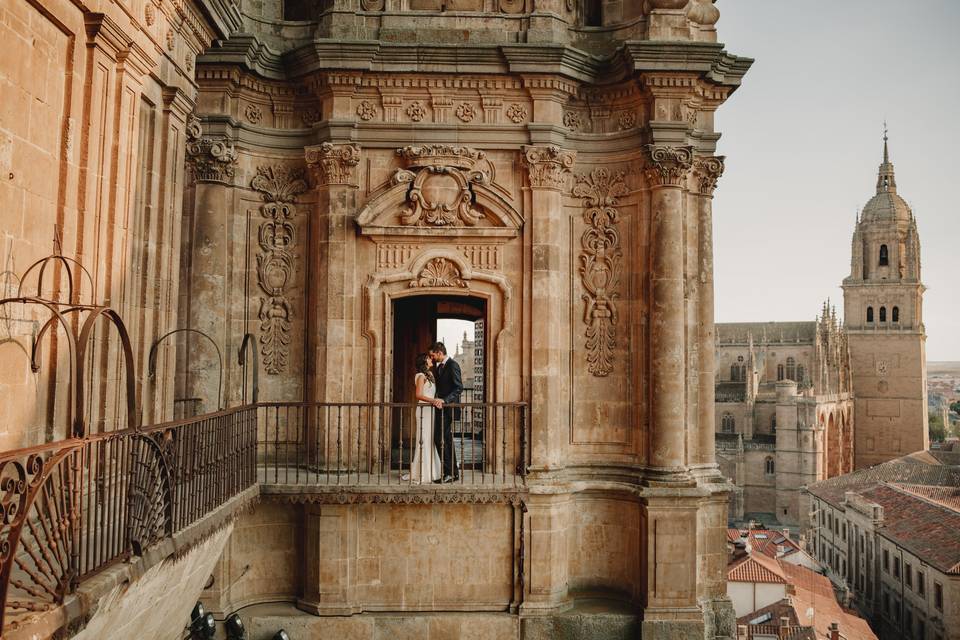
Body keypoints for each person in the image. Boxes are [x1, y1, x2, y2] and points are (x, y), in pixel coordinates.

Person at [401, 353, 442, 484]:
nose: (431, 359)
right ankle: (423, 472)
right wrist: (433, 400)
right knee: (423, 439)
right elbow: (419, 395)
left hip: (431, 410)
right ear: (424, 361)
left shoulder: (430, 375)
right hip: (424, 410)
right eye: (429, 358)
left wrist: (436, 400)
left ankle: (433, 470)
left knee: (430, 439)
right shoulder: (420, 376)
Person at [429, 341, 462, 482]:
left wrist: (445, 400)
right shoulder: (440, 367)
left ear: (439, 353)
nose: (432, 358)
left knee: (440, 439)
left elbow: (458, 387)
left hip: (448, 408)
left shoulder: (453, 365)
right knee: (446, 440)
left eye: (433, 355)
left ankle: (450, 472)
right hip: (440, 409)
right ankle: (452, 473)